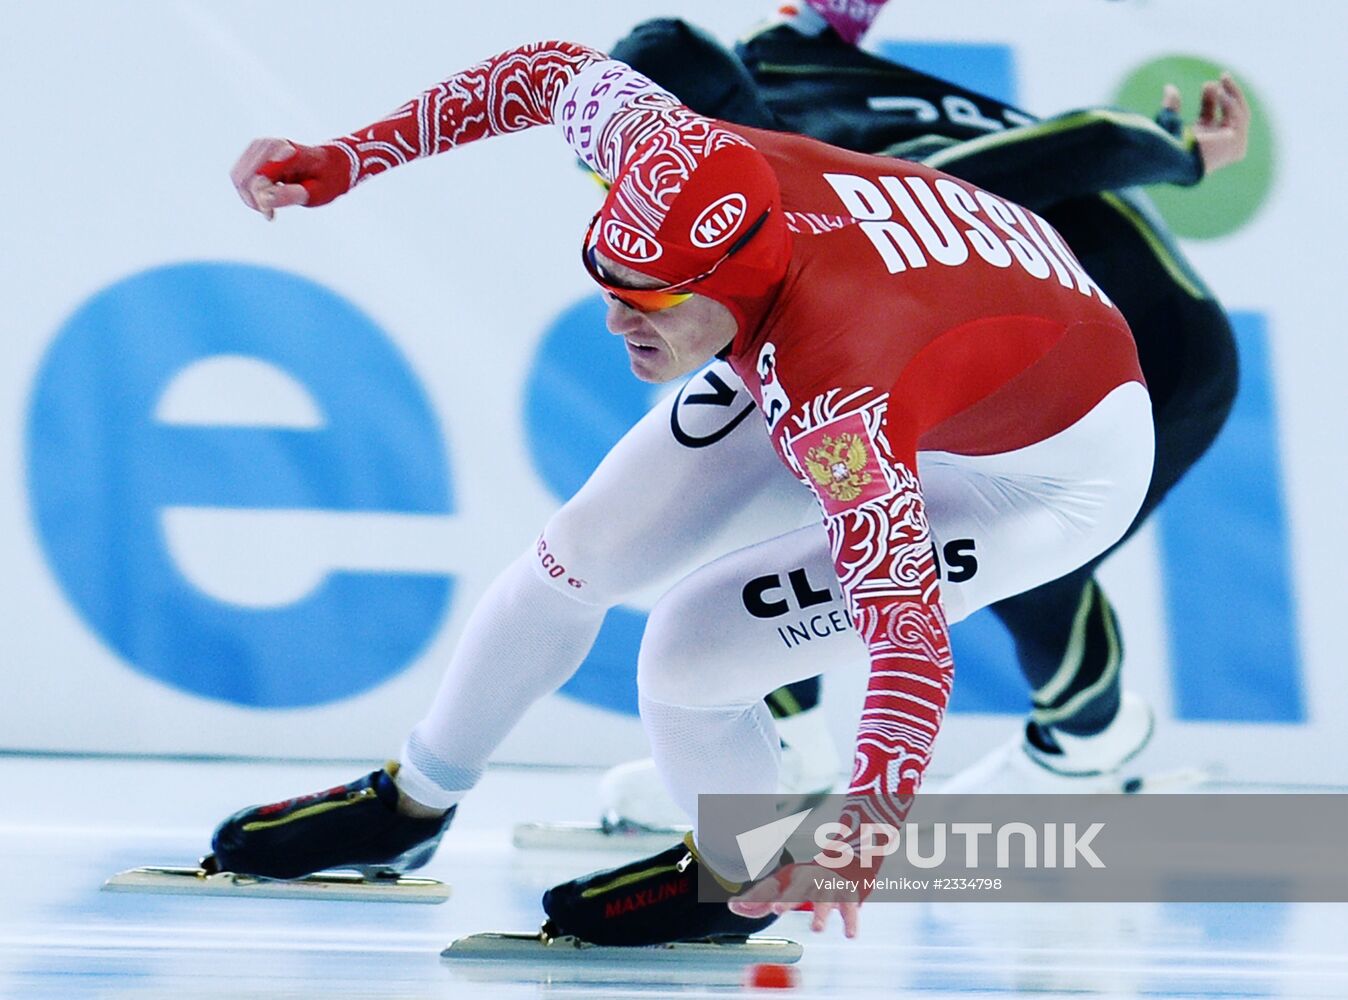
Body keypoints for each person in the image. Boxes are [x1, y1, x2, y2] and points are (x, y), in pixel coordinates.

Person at [213, 28, 1243, 942]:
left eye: (650, 300)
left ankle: (740, 873)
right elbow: (537, 72)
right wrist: (347, 158)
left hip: (1052, 469)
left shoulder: (835, 397)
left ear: (729, 285)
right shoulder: (675, 151)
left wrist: (869, 819)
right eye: (607, 283)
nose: (618, 322)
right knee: (579, 552)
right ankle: (410, 804)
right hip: (915, 312)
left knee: (691, 645)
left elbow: (906, 632)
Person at [594, 3, 1247, 822]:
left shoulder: (840, 177)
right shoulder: (782, 52)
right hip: (1045, 327)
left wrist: (1184, 154)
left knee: (1002, 538)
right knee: (811, 469)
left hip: (1153, 350)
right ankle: (786, 738)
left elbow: (1080, 145)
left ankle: (1088, 743)